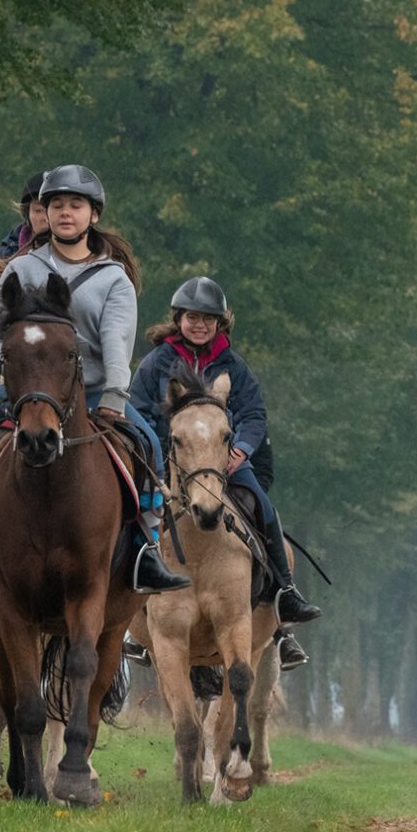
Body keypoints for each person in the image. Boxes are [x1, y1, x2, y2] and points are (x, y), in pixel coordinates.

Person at [0, 165, 190, 594]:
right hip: (23, 389)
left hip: (94, 390)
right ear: (42, 211)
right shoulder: (20, 269)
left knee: (150, 445)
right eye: (55, 205)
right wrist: (15, 375)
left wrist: (116, 396)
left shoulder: (113, 277)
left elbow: (117, 342)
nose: (64, 213)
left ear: (92, 215)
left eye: (75, 205)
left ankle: (146, 551)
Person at [127, 276, 322, 669]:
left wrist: (240, 450)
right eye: (192, 317)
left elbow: (254, 414)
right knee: (127, 511)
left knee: (261, 506)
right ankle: (129, 614)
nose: (200, 325)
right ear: (178, 319)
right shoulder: (156, 363)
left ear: (221, 324)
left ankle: (284, 594)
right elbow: (137, 410)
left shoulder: (234, 365)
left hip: (222, 463)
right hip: (169, 463)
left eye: (208, 319)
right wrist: (164, 448)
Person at [0, 171, 51, 355]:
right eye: (39, 210)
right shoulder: (3, 259)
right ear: (27, 214)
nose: (46, 217)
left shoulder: (91, 259)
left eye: (52, 208)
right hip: (16, 362)